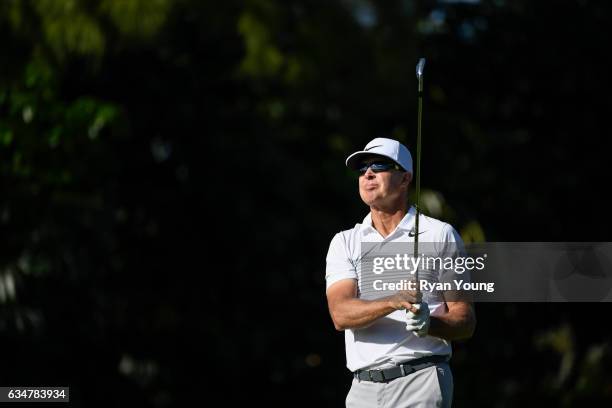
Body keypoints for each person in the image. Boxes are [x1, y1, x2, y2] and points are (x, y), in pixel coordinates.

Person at [325, 137, 476, 408]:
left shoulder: (441, 234)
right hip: (363, 388)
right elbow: (340, 313)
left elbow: (464, 320)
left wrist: (431, 324)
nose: (368, 173)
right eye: (363, 169)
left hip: (421, 379)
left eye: (380, 165)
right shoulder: (344, 241)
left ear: (405, 179)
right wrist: (393, 301)